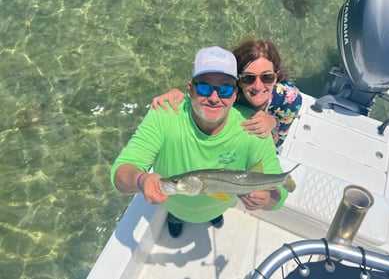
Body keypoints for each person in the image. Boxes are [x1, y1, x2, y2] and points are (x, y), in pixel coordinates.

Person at [111, 46, 288, 238]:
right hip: (174, 205)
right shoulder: (164, 114)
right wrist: (141, 179)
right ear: (190, 89)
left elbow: (279, 192)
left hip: (221, 205)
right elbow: (121, 171)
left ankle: (213, 215)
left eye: (225, 89)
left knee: (215, 214)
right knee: (175, 215)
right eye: (204, 87)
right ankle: (175, 218)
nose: (214, 98)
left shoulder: (253, 128)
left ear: (235, 94)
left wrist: (267, 199)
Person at [152, 40, 302, 148]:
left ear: (276, 76)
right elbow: (201, 99)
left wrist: (273, 123)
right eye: (248, 78)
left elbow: (278, 141)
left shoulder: (289, 99)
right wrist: (176, 95)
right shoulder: (226, 95)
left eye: (267, 77)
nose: (258, 86)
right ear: (236, 80)